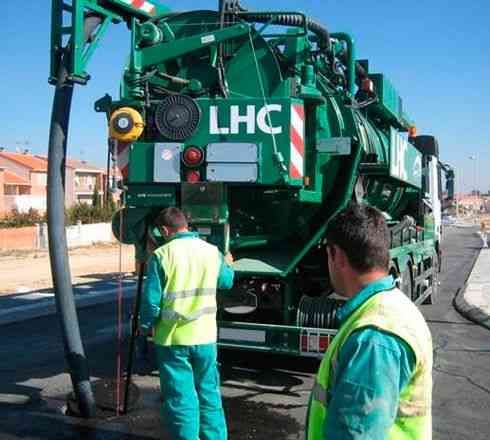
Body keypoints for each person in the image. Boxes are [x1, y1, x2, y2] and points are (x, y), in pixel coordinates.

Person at [306, 203, 433, 439]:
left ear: (338, 256)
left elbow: (356, 433)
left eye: (327, 253)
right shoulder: (391, 309)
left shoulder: (374, 339)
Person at [139, 207, 234, 440]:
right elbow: (226, 282)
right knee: (209, 394)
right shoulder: (211, 252)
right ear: (186, 225)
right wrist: (228, 263)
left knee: (181, 399)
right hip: (205, 338)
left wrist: (145, 326)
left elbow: (151, 303)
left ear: (164, 229)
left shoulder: (162, 256)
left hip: (172, 341)